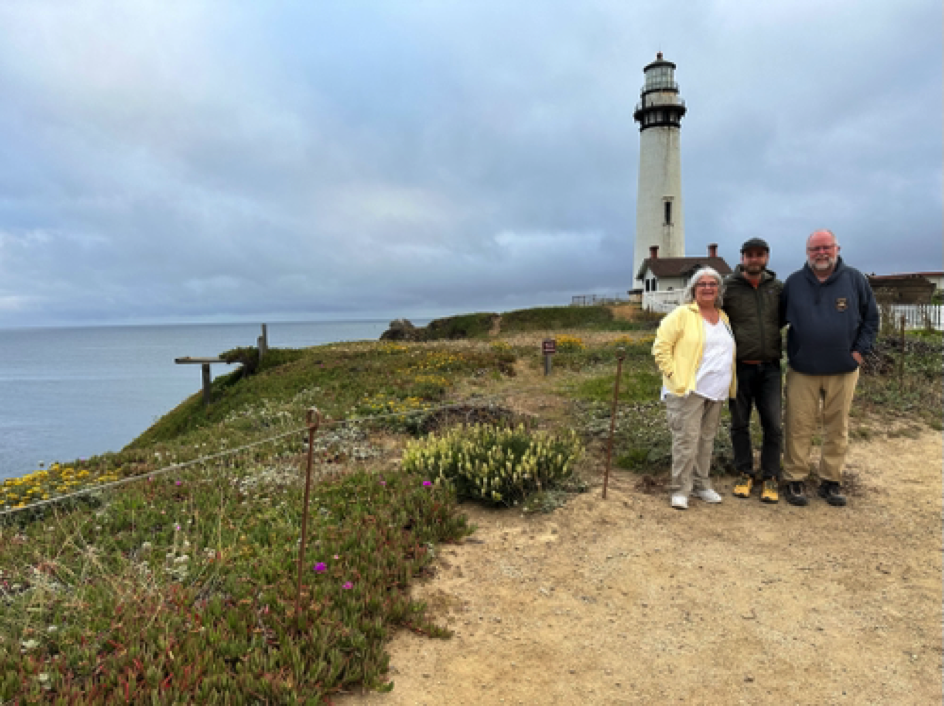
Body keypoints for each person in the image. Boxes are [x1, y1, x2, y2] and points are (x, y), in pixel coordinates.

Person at [780, 229, 879, 507]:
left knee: (837, 426)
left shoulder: (855, 280)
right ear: (807, 253)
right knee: (798, 425)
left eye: (826, 248)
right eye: (815, 249)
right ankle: (795, 478)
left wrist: (859, 353)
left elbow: (871, 319)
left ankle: (831, 481)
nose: (821, 253)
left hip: (843, 369)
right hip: (802, 368)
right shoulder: (794, 283)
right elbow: (776, 319)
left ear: (837, 248)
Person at [652, 267, 736, 510]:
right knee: (686, 440)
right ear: (693, 289)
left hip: (716, 390)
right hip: (688, 390)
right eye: (702, 284)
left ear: (719, 289)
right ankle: (680, 489)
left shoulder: (723, 317)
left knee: (706, 440)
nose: (708, 288)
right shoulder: (682, 314)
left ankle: (701, 485)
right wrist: (673, 376)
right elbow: (661, 347)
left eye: (712, 284)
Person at [721, 237, 784, 504]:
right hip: (739, 368)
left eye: (759, 254)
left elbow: (786, 318)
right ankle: (744, 472)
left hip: (770, 367)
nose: (754, 259)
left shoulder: (778, 288)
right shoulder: (728, 287)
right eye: (749, 255)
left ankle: (771, 476)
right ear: (742, 258)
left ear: (766, 257)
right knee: (739, 424)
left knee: (773, 424)